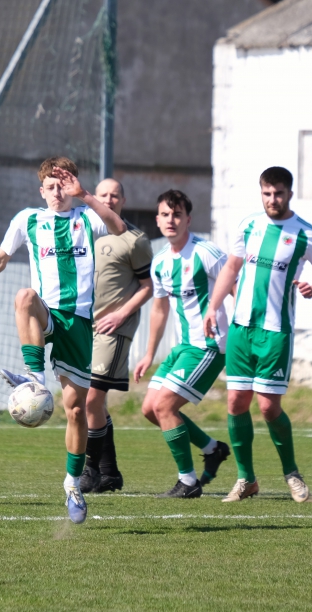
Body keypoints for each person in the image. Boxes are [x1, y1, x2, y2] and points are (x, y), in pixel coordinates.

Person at [0, 157, 125, 524]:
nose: (58, 192)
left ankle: (72, 484)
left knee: (75, 410)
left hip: (79, 321)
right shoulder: (28, 220)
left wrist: (86, 195)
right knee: (24, 296)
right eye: (51, 186)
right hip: (47, 313)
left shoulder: (86, 217)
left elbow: (119, 227)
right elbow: (0, 259)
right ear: (41, 191)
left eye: (64, 185)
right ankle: (35, 377)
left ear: (73, 186)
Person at [203, 167, 312, 502]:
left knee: (267, 407)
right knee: (236, 401)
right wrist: (212, 307)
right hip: (241, 328)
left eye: (278, 193)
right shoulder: (249, 225)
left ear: (289, 193)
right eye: (267, 193)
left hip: (276, 331)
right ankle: (246, 479)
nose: (272, 199)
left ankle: (292, 473)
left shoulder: (306, 233)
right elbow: (231, 267)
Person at [133, 190, 231, 498]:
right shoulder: (160, 261)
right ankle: (212, 449)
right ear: (157, 220)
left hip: (209, 346)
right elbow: (159, 309)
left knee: (164, 406)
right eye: (165, 214)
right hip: (183, 347)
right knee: (150, 409)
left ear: (188, 219)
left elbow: (237, 286)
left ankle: (188, 482)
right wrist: (149, 354)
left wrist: (245, 330)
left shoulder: (207, 252)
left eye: (177, 215)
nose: (171, 220)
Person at [82, 179, 153, 493]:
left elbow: (148, 287)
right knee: (93, 402)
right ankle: (109, 473)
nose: (108, 200)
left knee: (91, 398)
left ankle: (90, 471)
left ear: (123, 200)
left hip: (114, 329)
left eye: (114, 195)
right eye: (103, 195)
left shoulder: (134, 239)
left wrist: (121, 314)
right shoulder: (85, 234)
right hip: (85, 327)